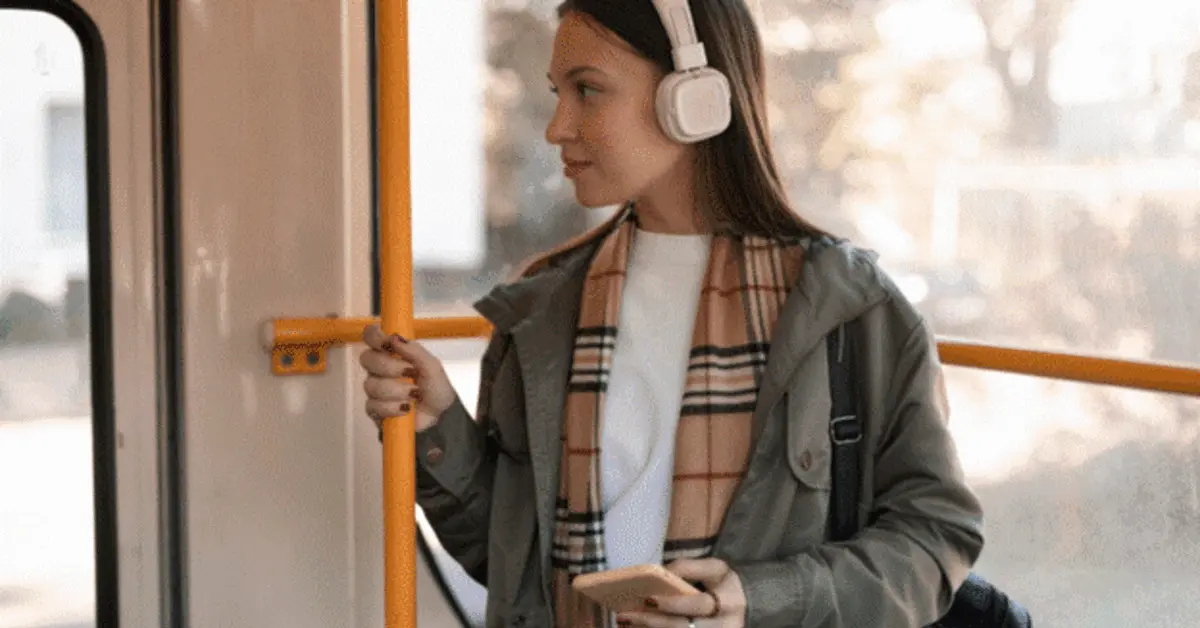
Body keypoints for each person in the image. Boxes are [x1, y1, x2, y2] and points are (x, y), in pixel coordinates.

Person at [359, 1, 983, 626]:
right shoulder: (541, 309)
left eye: (587, 90)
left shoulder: (850, 310)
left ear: (693, 98)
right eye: (557, 93)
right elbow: (515, 570)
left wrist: (757, 601)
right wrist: (438, 426)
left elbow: (935, 540)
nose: (556, 127)